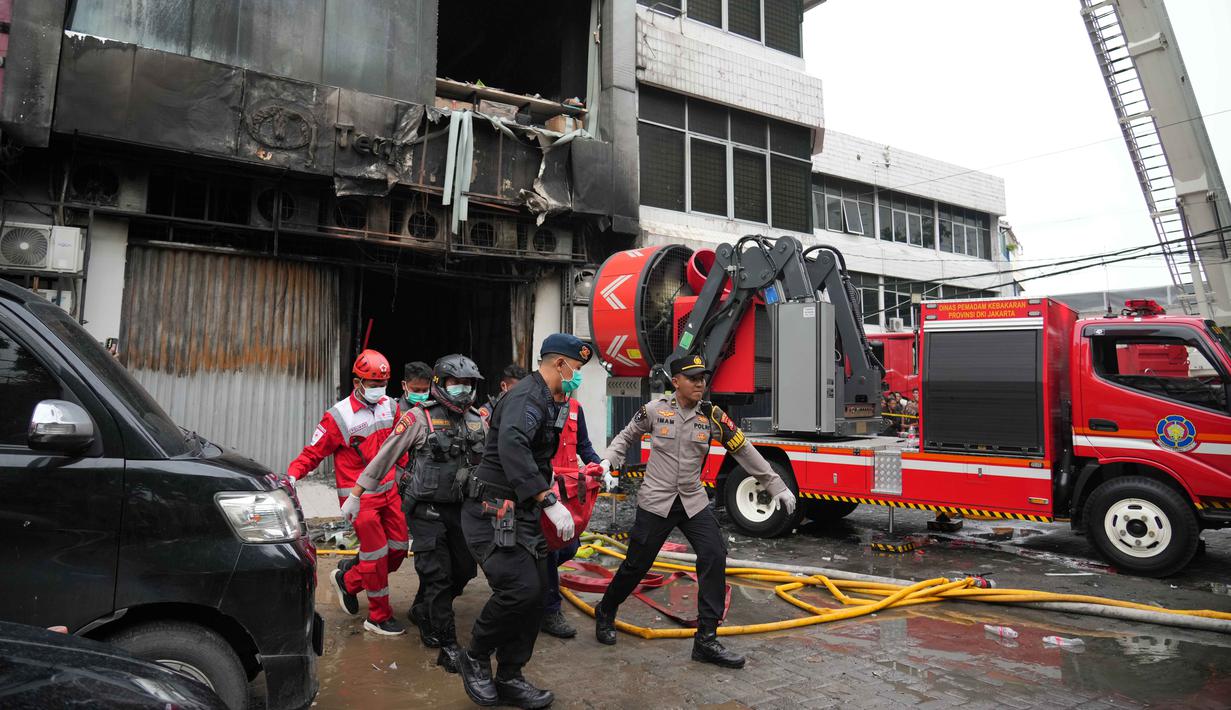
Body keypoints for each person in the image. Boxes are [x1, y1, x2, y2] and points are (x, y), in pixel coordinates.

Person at [593, 355, 796, 668]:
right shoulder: (655, 410)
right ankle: (606, 610)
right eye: (693, 378)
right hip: (656, 502)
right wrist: (609, 460)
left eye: (703, 378)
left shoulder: (712, 416)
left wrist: (776, 485)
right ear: (676, 382)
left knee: (714, 555)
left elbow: (744, 450)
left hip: (692, 501)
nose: (701, 383)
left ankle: (706, 640)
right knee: (636, 565)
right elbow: (626, 436)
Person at [455, 334, 590, 709]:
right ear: (559, 364)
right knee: (519, 591)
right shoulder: (526, 398)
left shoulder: (550, 399)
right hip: (492, 511)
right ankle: (476, 656)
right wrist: (547, 500)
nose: (577, 377)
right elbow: (513, 447)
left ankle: (511, 675)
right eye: (576, 370)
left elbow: (540, 455)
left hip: (522, 512)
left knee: (537, 593)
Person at [351, 355, 488, 673]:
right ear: (440, 384)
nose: (462, 390)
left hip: (461, 509)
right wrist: (356, 495)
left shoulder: (476, 420)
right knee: (437, 574)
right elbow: (385, 457)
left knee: (464, 570)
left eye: (468, 384)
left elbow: (492, 461)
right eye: (456, 383)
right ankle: (447, 644)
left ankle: (423, 609)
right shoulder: (417, 418)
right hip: (425, 510)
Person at [288, 349, 409, 636]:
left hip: (390, 492)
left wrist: (403, 473)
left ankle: (349, 580)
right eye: (373, 383)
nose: (379, 389)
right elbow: (313, 452)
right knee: (377, 555)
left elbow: (399, 445)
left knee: (398, 549)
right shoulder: (339, 417)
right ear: (357, 383)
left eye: (383, 383)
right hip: (360, 498)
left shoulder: (390, 407)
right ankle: (378, 617)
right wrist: (292, 475)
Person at [539, 398, 606, 640]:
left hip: (569, 490)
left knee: (569, 547)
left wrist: (599, 466)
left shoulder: (576, 408)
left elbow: (584, 445)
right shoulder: (535, 407)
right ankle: (549, 610)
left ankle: (537, 583)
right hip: (543, 489)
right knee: (549, 550)